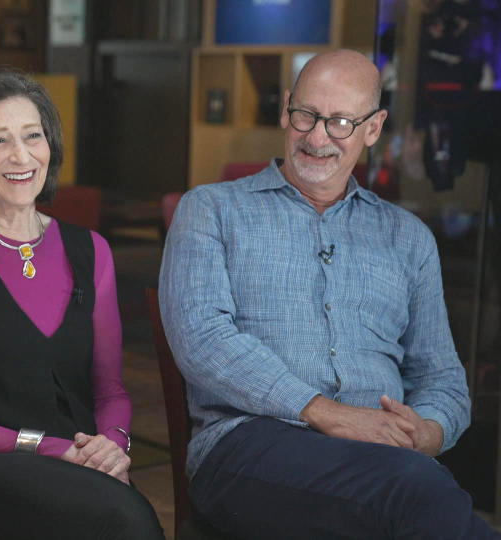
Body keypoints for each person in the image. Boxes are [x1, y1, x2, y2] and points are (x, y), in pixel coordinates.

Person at [159, 49, 498, 538]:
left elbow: (442, 377)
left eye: (340, 122)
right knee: (420, 494)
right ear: (286, 109)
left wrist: (426, 432)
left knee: (419, 495)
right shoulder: (211, 210)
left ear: (374, 128)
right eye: (306, 115)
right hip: (248, 448)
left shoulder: (409, 238)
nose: (317, 137)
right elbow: (201, 339)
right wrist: (327, 414)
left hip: (387, 463)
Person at [0, 67, 163, 539]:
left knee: (121, 510)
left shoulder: (92, 250)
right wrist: (51, 448)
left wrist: (112, 447)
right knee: (125, 519)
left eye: (33, 136)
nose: (21, 156)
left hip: (80, 464)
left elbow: (111, 392)